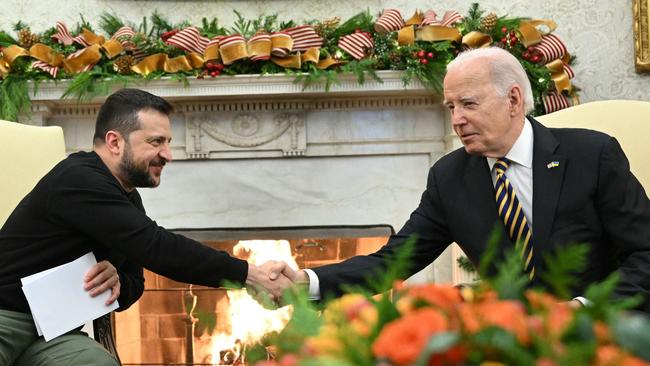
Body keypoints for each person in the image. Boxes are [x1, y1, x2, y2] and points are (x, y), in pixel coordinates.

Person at [290, 47, 650, 313]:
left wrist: (585, 309)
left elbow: (645, 254)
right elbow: (393, 261)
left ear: (513, 100)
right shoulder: (450, 178)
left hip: (607, 328)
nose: (457, 120)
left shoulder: (591, 155)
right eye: (451, 107)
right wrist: (309, 282)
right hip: (515, 342)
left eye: (469, 104)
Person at [0, 88, 294, 366]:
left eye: (167, 142)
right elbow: (157, 248)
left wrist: (118, 282)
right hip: (6, 315)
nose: (168, 154)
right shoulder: (78, 179)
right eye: (156, 142)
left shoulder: (127, 195)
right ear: (115, 142)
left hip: (52, 330)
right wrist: (249, 274)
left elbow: (135, 282)